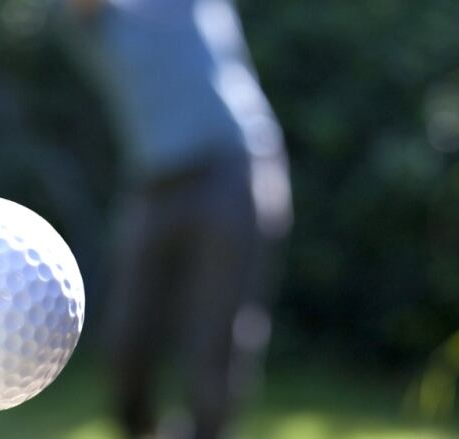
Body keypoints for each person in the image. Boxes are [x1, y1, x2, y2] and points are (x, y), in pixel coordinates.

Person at [56, 0, 293, 437]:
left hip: (234, 168)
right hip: (154, 185)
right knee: (127, 341)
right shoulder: (91, 21)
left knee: (215, 345)